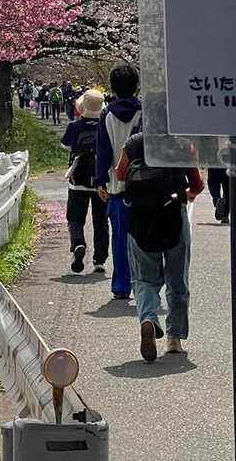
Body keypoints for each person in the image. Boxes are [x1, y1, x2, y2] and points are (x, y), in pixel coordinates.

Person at [113, 126, 203, 361]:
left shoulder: (133, 143)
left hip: (140, 218)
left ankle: (148, 319)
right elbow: (197, 183)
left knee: (143, 279)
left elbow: (120, 174)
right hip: (174, 216)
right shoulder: (182, 144)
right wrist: (189, 193)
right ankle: (174, 338)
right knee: (177, 280)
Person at [93, 64, 143, 300]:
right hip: (144, 186)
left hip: (116, 186)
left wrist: (100, 181)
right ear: (137, 86)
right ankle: (145, 283)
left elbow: (102, 151)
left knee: (120, 238)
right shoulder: (144, 112)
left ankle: (121, 286)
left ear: (112, 87)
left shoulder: (107, 115)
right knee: (145, 236)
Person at [60, 89, 109, 274]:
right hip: (102, 182)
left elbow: (65, 145)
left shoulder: (75, 126)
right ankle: (100, 260)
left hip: (78, 181)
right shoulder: (106, 125)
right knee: (101, 221)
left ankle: (78, 243)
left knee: (75, 218)